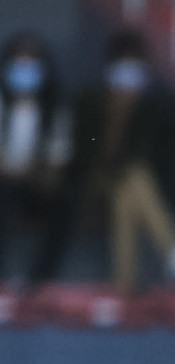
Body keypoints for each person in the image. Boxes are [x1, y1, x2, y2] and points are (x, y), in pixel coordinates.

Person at [73, 29, 175, 293]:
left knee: (128, 191)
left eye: (135, 69)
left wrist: (129, 112)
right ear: (111, 68)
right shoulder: (91, 101)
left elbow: (143, 154)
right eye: (124, 68)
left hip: (125, 178)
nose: (129, 77)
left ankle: (124, 284)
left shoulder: (150, 108)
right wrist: (113, 118)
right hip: (92, 177)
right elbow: (84, 148)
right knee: (133, 180)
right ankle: (174, 248)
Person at [0, 31, 74, 286]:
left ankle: (38, 281)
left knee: (64, 203)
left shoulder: (55, 106)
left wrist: (36, 172)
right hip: (4, 183)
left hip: (34, 182)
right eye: (19, 63)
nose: (25, 70)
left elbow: (56, 161)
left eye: (31, 64)